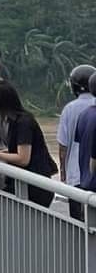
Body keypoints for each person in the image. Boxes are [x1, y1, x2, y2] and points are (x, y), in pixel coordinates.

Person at [0, 82, 57, 206]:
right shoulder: (16, 120)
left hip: (34, 186)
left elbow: (23, 159)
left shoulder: (23, 123)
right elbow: (17, 151)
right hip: (27, 183)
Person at [56, 65, 96, 203]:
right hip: (93, 177)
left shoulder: (69, 109)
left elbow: (63, 146)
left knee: (77, 222)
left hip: (76, 176)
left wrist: (63, 173)